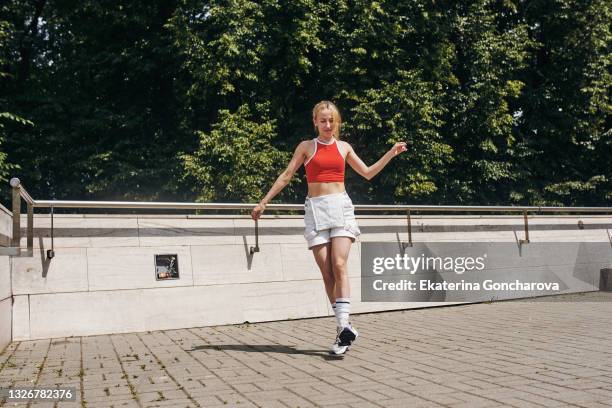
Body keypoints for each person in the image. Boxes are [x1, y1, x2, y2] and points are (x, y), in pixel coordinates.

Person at [251, 101, 407, 355]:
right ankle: (343, 329)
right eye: (322, 120)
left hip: (340, 208)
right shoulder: (306, 147)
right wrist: (264, 202)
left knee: (339, 264)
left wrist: (391, 152)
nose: (327, 125)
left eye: (331, 120)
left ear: (336, 123)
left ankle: (344, 325)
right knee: (327, 273)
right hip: (315, 210)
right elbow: (287, 175)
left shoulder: (344, 147)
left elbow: (367, 173)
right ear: (315, 122)